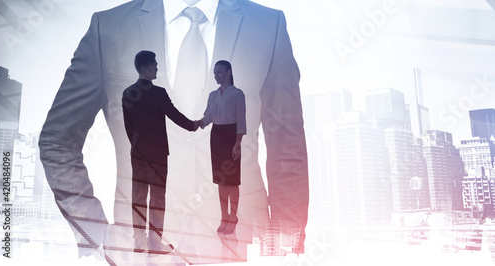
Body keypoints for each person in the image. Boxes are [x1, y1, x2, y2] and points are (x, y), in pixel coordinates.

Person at [38, 0, 309, 261]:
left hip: (242, 242)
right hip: (137, 251)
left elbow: (288, 139)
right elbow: (57, 140)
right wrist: (94, 231)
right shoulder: (107, 27)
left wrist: (286, 237)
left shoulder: (268, 24)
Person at [122, 50, 197, 253]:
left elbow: (128, 127)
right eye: (154, 65)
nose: (156, 68)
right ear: (147, 67)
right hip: (157, 153)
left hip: (138, 151)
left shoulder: (128, 93)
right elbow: (174, 115)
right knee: (157, 197)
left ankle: (139, 242)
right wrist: (194, 125)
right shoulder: (159, 93)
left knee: (138, 196)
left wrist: (137, 143)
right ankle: (155, 244)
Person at [197, 60, 245, 235]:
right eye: (214, 73)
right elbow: (208, 117)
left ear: (228, 72)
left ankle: (233, 217)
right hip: (216, 137)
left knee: (232, 181)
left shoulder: (238, 94)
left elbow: (241, 121)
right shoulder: (212, 95)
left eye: (219, 72)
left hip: (231, 137)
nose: (216, 76)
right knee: (221, 181)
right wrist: (196, 123)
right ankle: (224, 217)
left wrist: (238, 143)